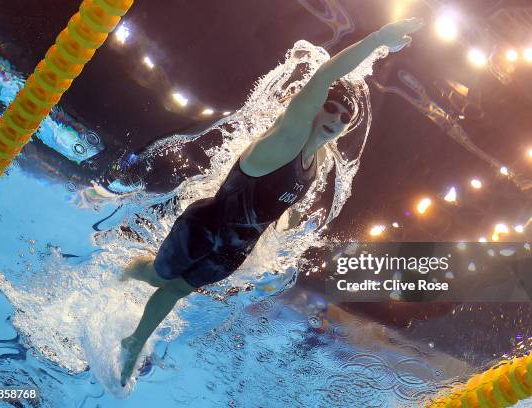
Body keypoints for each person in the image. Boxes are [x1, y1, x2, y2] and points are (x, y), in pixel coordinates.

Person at [119, 17, 424, 386]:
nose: (338, 119)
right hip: (205, 227)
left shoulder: (320, 161)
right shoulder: (289, 136)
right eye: (332, 108)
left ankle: (134, 339)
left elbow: (285, 203)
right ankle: (123, 275)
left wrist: (291, 227)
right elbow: (323, 77)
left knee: (179, 290)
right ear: (315, 108)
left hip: (234, 250)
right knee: (157, 277)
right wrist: (377, 39)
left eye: (346, 118)